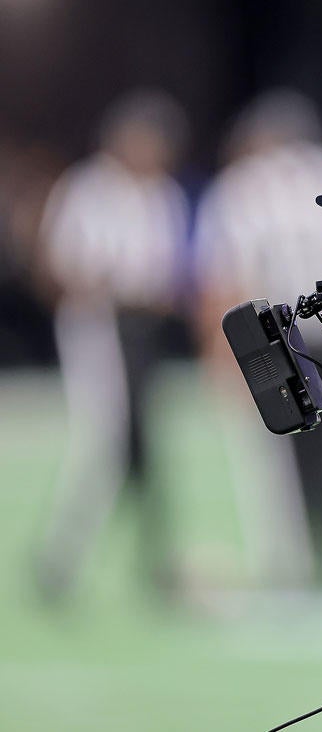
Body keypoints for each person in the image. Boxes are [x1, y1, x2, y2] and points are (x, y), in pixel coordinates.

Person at [33, 90, 190, 603]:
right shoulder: (89, 189)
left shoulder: (161, 193)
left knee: (145, 449)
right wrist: (107, 286)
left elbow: (164, 273)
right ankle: (60, 559)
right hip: (99, 327)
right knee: (102, 444)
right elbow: (59, 264)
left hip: (145, 333)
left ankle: (155, 560)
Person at [193, 90, 322, 588]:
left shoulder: (243, 186)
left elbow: (226, 280)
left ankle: (286, 564)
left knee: (272, 451)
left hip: (272, 335)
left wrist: (220, 359)